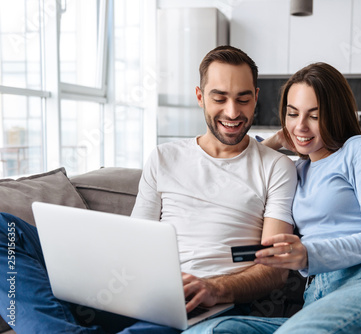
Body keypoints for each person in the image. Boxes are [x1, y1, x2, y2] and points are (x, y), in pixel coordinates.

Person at [0, 46, 297, 333]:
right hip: (136, 287)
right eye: (219, 98)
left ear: (256, 98)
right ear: (200, 96)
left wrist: (214, 288)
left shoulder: (276, 168)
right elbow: (135, 240)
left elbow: (275, 269)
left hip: (201, 302)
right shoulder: (163, 157)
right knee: (4, 229)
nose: (232, 112)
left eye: (243, 100)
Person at [185, 62, 361, 333]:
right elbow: (244, 164)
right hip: (318, 298)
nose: (301, 126)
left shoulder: (357, 150)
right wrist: (279, 139)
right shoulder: (294, 170)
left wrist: (308, 254)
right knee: (208, 331)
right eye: (292, 114)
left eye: (314, 116)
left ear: (336, 114)